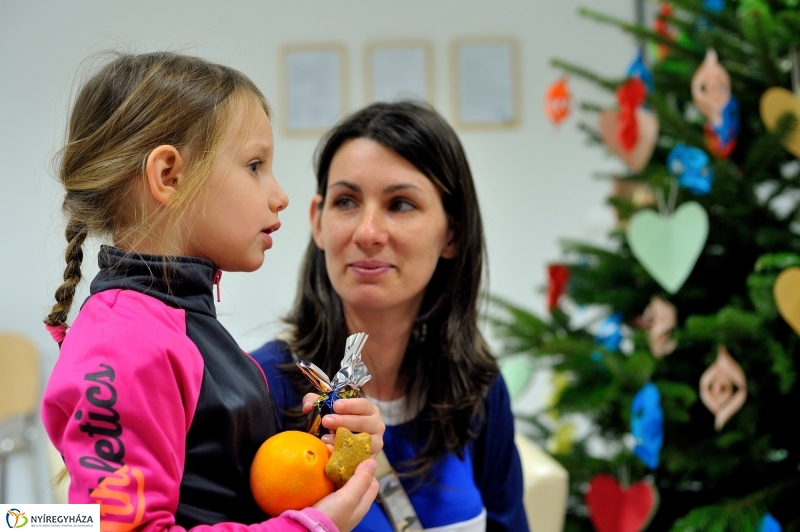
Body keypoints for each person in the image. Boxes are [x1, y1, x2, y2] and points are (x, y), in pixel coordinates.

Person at [40, 51, 383, 532]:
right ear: (169, 176)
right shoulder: (126, 343)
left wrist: (321, 452)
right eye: (255, 165)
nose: (280, 194)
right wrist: (309, 527)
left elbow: (216, 492)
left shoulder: (171, 323)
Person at [251, 101, 528, 531]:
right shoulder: (264, 387)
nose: (367, 233)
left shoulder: (478, 391)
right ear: (318, 222)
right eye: (346, 201)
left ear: (452, 233)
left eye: (400, 204)